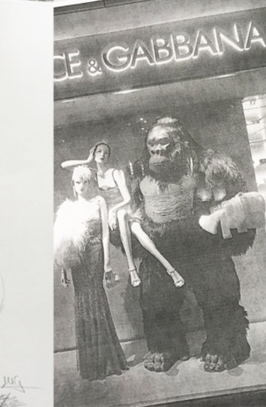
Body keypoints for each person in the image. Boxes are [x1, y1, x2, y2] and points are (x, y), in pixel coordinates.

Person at [61, 143, 184, 288]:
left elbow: (127, 199)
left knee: (123, 216)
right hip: (110, 217)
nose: (102, 155)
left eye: (106, 153)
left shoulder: (115, 173)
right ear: (94, 154)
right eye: (99, 152)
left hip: (125, 210)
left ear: (109, 157)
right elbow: (65, 165)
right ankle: (170, 269)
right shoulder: (92, 176)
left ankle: (135, 268)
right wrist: (87, 161)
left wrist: (114, 210)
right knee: (137, 231)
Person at [53, 165, 128, 381]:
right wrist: (64, 268)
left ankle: (105, 358)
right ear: (73, 185)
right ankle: (91, 363)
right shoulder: (69, 209)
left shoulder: (99, 202)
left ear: (91, 183)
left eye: (86, 182)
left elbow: (105, 233)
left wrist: (107, 262)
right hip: (77, 259)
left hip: (95, 253)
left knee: (95, 296)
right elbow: (64, 244)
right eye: (78, 182)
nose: (82, 186)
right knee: (82, 300)